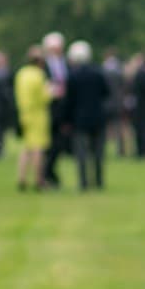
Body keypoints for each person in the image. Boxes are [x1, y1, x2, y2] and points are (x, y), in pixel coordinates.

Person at [65, 39, 109, 191]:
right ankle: (98, 181)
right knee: (98, 153)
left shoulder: (73, 76)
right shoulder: (98, 73)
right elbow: (106, 93)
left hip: (80, 119)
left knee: (82, 153)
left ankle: (83, 182)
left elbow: (69, 100)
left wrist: (66, 120)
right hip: (98, 117)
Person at [13, 46, 50, 191]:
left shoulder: (21, 74)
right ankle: (39, 180)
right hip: (37, 115)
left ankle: (22, 177)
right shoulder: (39, 75)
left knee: (26, 148)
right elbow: (42, 97)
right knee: (38, 149)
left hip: (24, 114)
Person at [41, 32, 70, 187]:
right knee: (49, 145)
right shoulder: (44, 66)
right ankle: (48, 174)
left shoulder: (64, 63)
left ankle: (49, 173)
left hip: (61, 109)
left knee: (58, 144)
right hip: (49, 108)